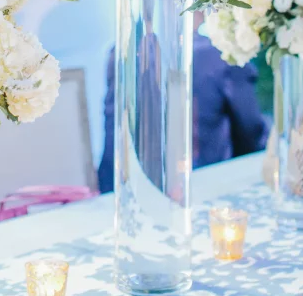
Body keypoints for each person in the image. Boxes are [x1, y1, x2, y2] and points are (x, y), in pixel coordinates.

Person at [97, 11, 269, 193]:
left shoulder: (122, 51)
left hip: (120, 189)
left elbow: (112, 133)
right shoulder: (221, 56)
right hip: (202, 187)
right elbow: (251, 134)